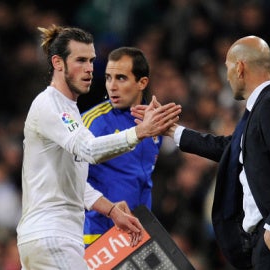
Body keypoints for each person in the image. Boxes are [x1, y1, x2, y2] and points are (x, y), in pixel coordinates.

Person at [132, 35, 270, 269]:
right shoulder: (259, 108)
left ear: (240, 67)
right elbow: (228, 148)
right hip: (265, 244)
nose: (227, 76)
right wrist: (173, 130)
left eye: (228, 68)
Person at [16, 25, 181, 270]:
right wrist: (140, 132)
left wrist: (112, 210)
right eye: (80, 60)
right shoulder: (51, 104)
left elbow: (75, 181)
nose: (89, 69)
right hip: (53, 235)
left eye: (92, 61)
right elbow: (90, 150)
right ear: (58, 63)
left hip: (50, 237)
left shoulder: (68, 110)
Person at [81, 47, 162, 246]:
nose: (112, 86)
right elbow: (68, 179)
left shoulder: (155, 122)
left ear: (142, 82)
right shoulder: (92, 123)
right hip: (98, 235)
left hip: (138, 234)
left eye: (121, 78)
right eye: (108, 78)